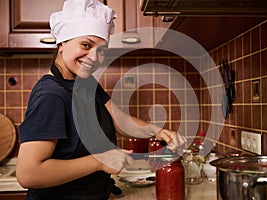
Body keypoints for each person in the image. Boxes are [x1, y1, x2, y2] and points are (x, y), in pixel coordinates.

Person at [16, 0, 186, 199]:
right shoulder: (51, 95)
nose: (94, 57)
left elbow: (120, 121)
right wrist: (99, 161)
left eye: (102, 50)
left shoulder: (86, 84)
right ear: (62, 43)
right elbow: (29, 174)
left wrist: (158, 131)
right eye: (86, 45)